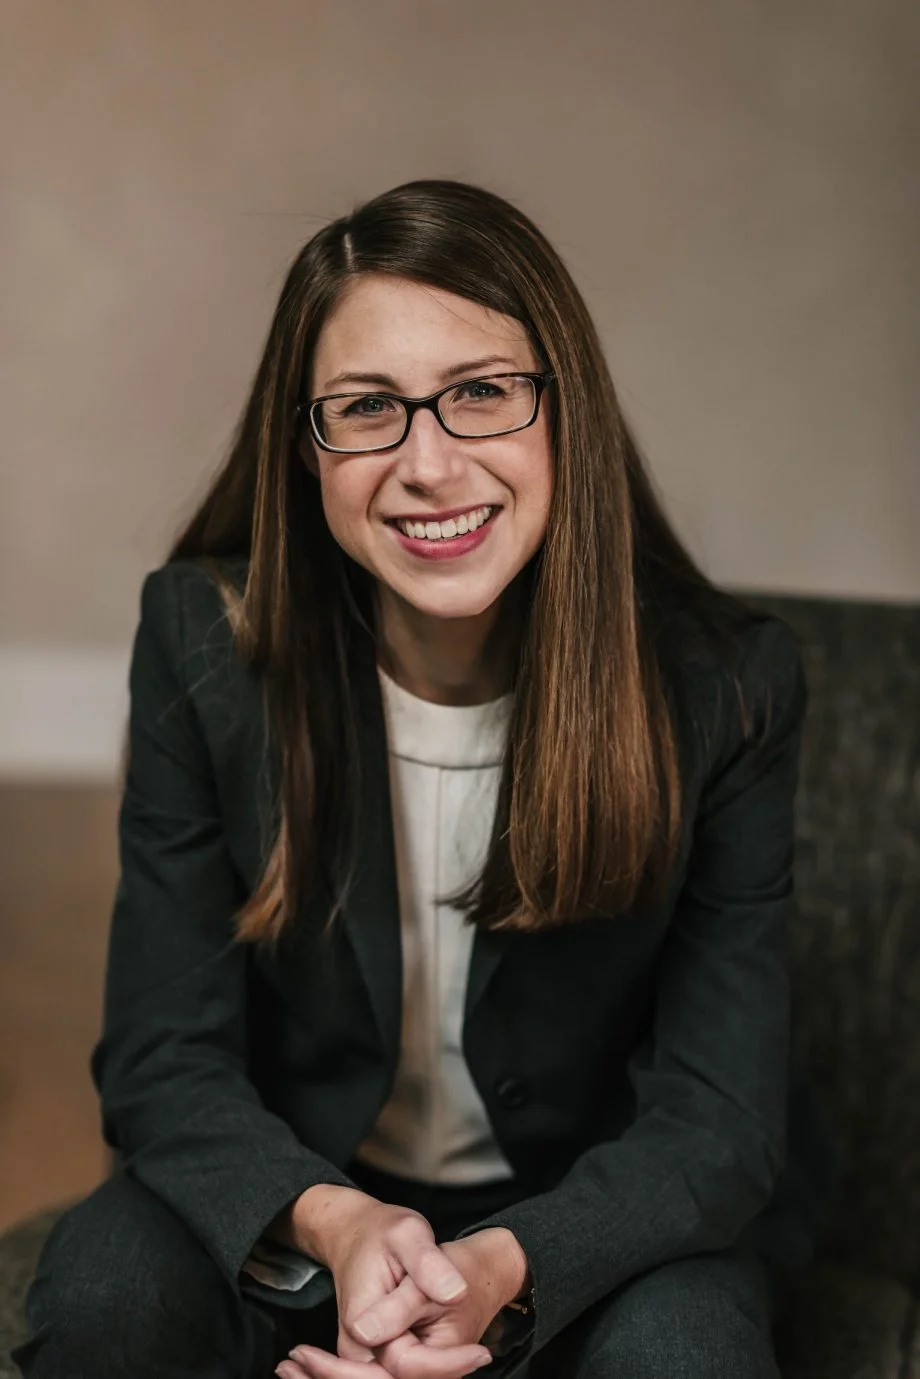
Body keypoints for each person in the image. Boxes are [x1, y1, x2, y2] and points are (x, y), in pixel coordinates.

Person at [14, 178, 822, 1379]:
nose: (428, 464)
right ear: (307, 448)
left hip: (585, 1228)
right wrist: (335, 1224)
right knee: (107, 1288)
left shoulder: (725, 686)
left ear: (565, 414)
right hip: (306, 1203)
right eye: (367, 408)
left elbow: (717, 1119)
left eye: (482, 393)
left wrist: (497, 1272)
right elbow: (159, 1057)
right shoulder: (201, 643)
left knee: (686, 1354)